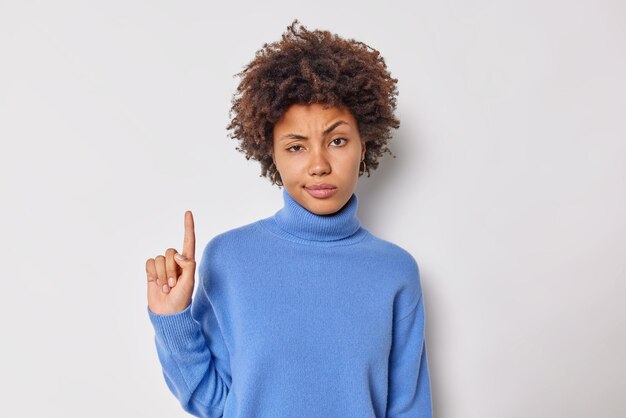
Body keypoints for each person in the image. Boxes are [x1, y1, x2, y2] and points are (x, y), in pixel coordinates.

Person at [146, 19, 432, 418]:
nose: (318, 165)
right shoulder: (230, 258)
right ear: (272, 156)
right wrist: (171, 319)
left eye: (337, 141)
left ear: (363, 146)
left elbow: (409, 408)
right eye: (296, 147)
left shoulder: (395, 272)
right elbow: (214, 402)